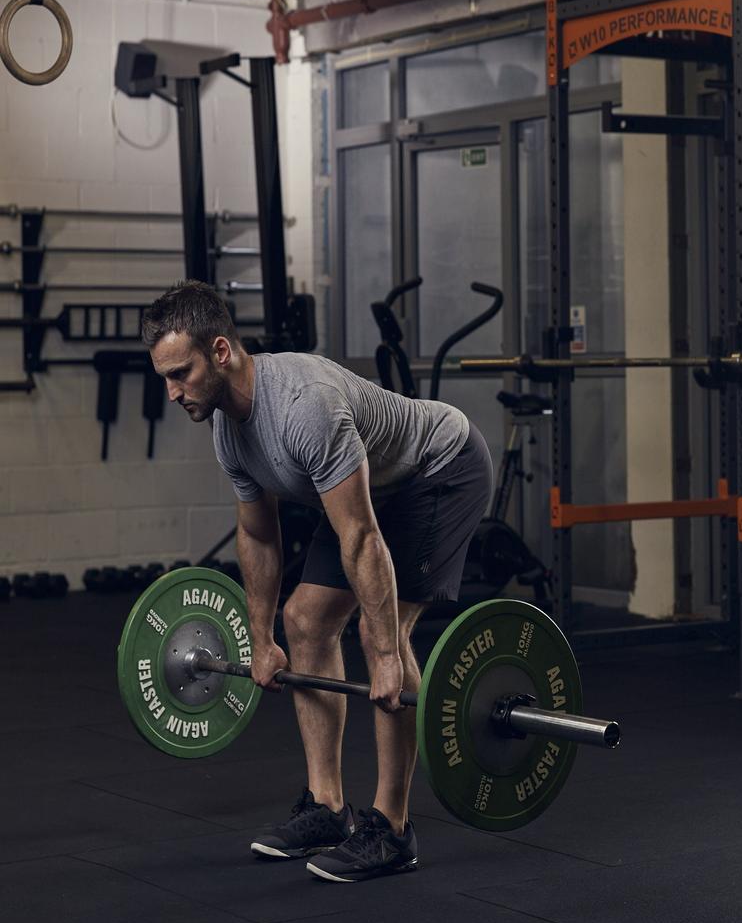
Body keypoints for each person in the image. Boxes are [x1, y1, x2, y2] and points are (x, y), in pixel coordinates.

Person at [142, 280, 493, 883]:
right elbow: (257, 535)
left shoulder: (303, 403)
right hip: (370, 491)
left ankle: (393, 828)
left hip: (439, 470)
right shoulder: (228, 427)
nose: (173, 392)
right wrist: (260, 636)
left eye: (181, 374)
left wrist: (383, 653)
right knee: (303, 621)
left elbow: (361, 538)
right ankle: (330, 808)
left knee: (384, 636)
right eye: (166, 379)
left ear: (220, 351)